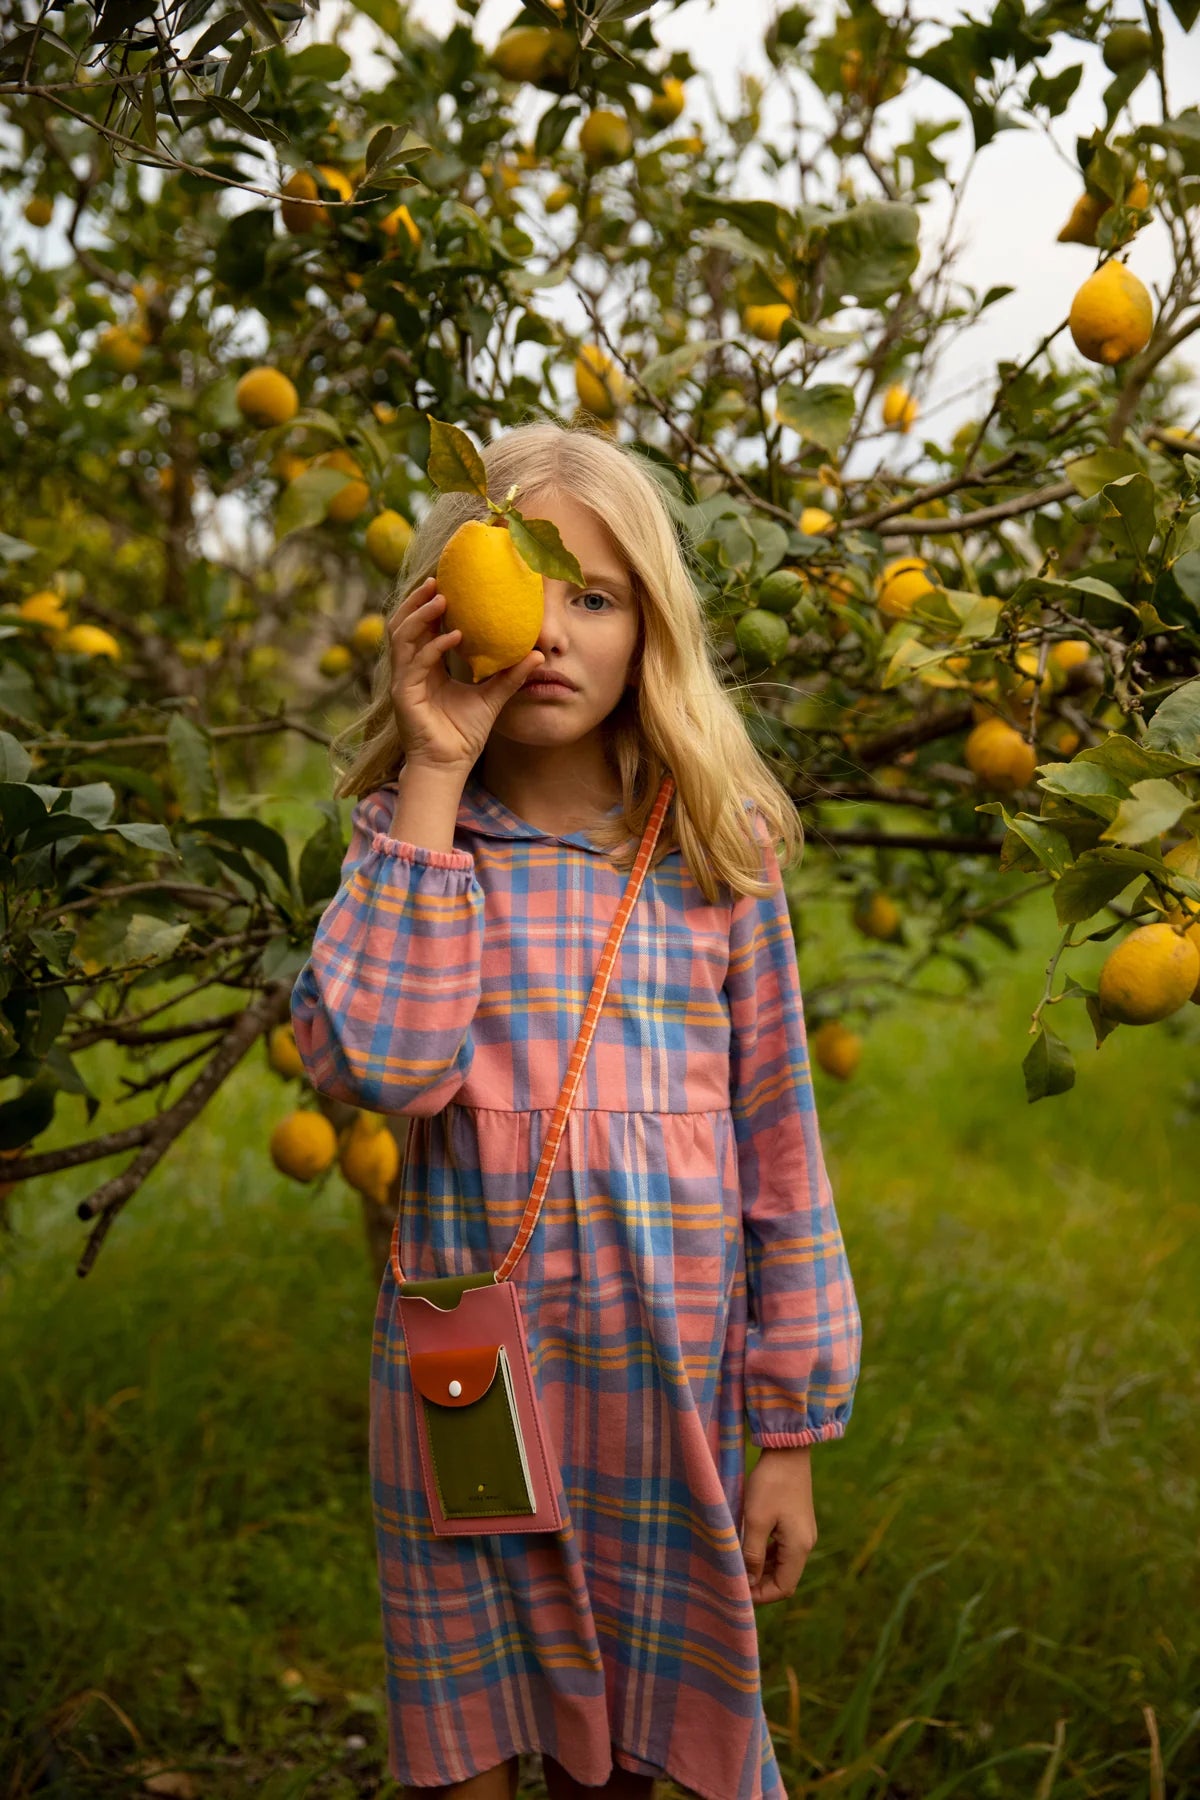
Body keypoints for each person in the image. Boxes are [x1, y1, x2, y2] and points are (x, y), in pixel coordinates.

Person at [290, 416, 862, 1800]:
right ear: (444, 617)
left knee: (638, 1753)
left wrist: (787, 1433)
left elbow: (784, 1152)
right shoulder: (416, 847)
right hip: (469, 1392)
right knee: (471, 1744)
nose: (551, 632)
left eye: (593, 597)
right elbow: (377, 1064)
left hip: (663, 1394)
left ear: (650, 625)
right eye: (521, 588)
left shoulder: (718, 852)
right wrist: (431, 770)